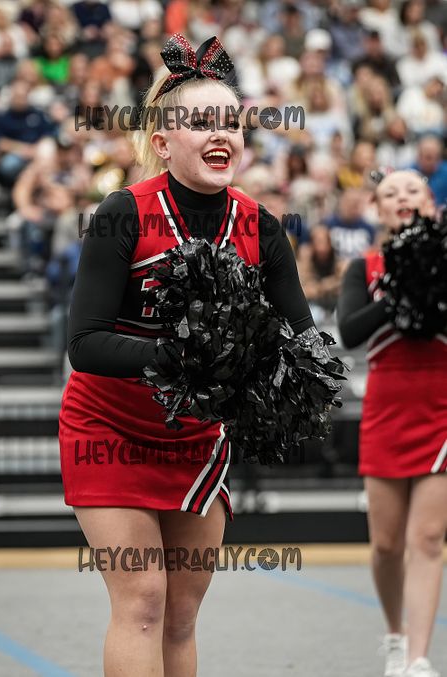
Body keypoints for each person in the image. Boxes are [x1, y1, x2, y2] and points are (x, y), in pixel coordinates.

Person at [59, 33, 315, 677]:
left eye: (230, 121)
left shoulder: (262, 227)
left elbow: (303, 346)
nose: (220, 133)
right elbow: (84, 344)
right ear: (163, 141)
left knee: (180, 614)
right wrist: (187, 354)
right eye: (200, 122)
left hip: (195, 438)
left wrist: (268, 380)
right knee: (143, 600)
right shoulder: (123, 214)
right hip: (109, 428)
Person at [337, 169, 447, 677]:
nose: (402, 197)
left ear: (430, 203)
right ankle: (395, 637)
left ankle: (420, 658)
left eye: (412, 190)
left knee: (428, 539)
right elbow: (350, 332)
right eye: (390, 193)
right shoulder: (364, 267)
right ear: (378, 210)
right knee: (386, 544)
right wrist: (399, 290)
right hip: (387, 406)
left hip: (441, 405)